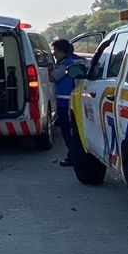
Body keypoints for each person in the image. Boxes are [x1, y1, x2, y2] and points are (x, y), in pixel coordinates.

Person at [50, 38, 86, 166]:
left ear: (60, 51)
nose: (54, 53)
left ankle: (73, 156)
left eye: (55, 50)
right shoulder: (80, 60)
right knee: (77, 130)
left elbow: (52, 77)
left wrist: (48, 66)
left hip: (65, 101)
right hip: (80, 99)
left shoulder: (65, 64)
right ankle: (79, 155)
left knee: (66, 130)